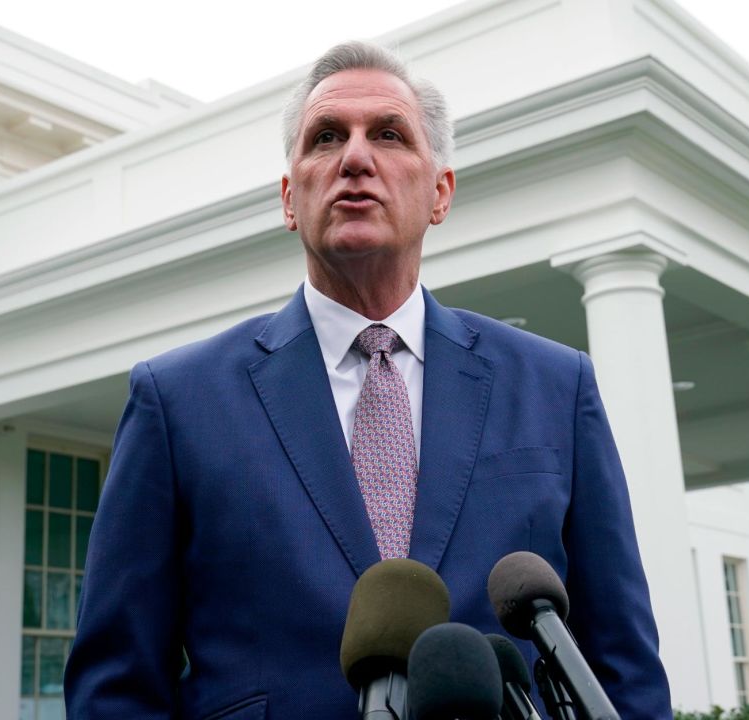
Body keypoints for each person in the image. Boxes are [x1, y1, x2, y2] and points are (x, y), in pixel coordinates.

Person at [64, 41, 671, 720]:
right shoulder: (176, 403)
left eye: (388, 134)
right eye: (326, 138)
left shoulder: (558, 389)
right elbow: (116, 687)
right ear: (291, 199)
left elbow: (623, 668)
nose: (355, 158)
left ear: (439, 193)